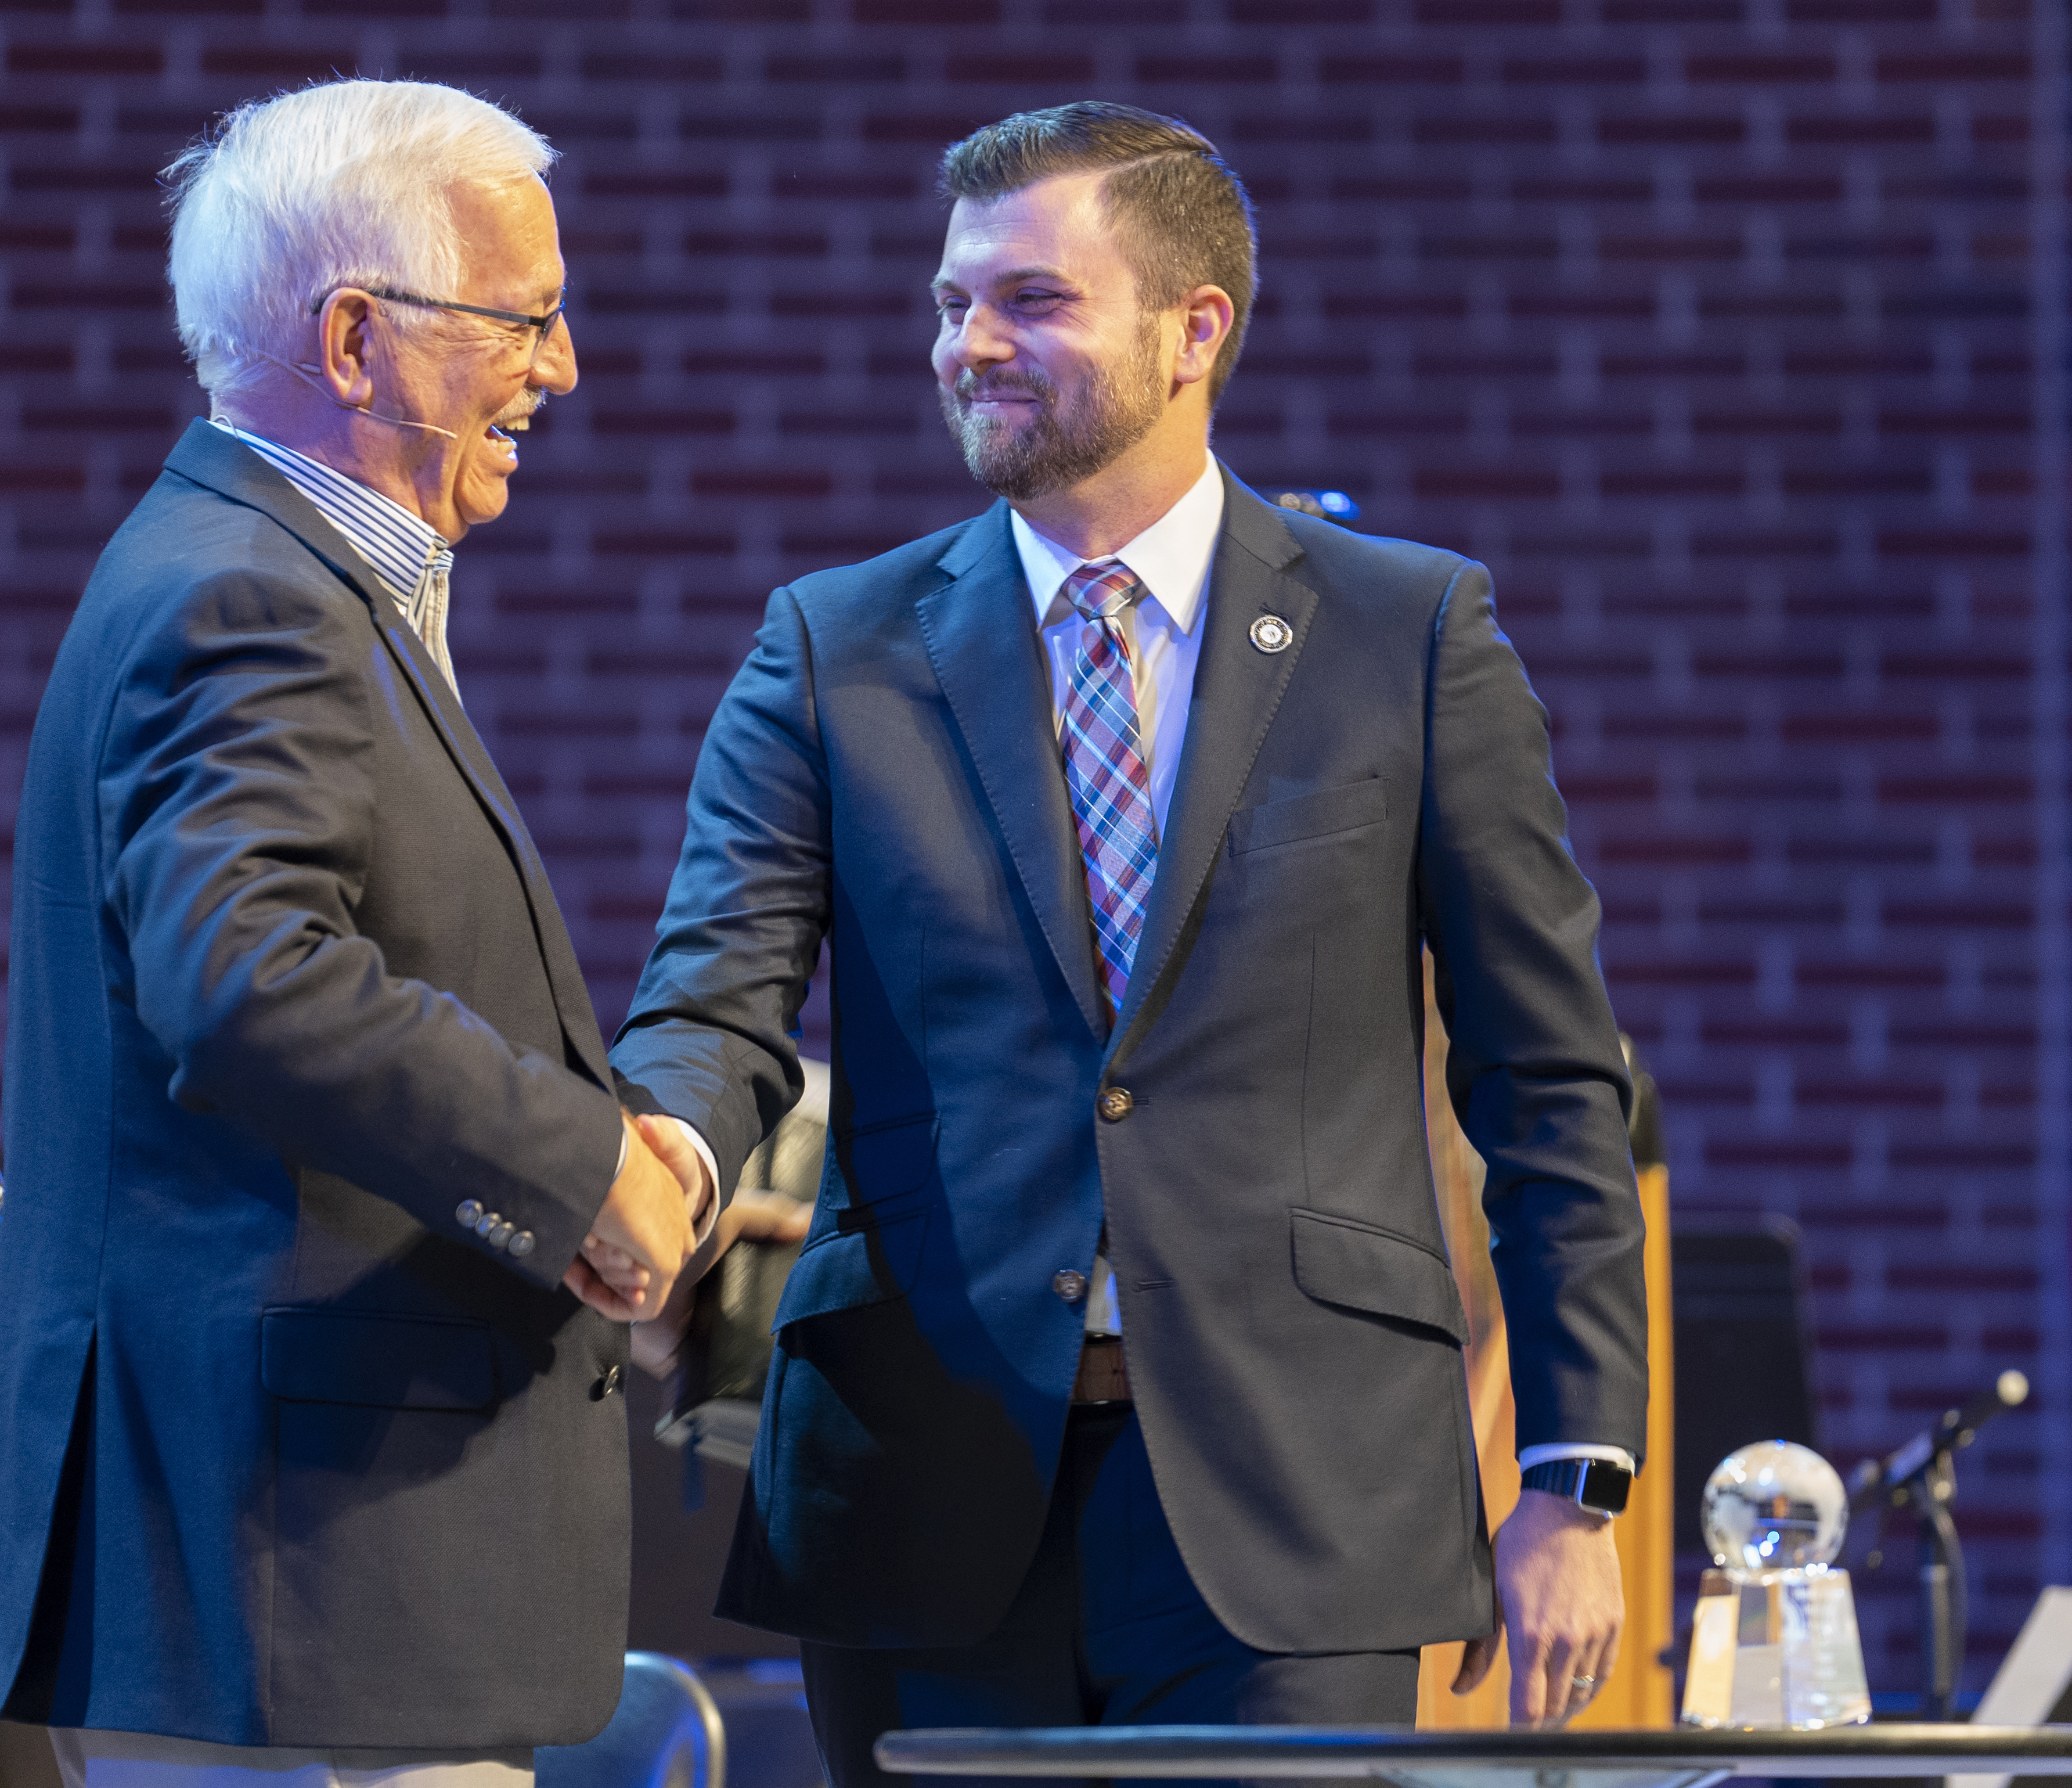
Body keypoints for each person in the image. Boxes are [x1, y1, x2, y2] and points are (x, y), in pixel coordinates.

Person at [608, 102, 1649, 1781]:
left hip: (1301, 1505)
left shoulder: (1407, 632)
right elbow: (714, 995)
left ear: (1194, 329)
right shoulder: (831, 646)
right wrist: (657, 1152)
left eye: (1029, 301)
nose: (968, 345)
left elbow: (1548, 1080)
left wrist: (1573, 1479)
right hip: (921, 1482)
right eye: (951, 303)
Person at [0, 80, 707, 1788]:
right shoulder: (254, 593)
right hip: (301, 1587)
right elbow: (253, 979)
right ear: (357, 339)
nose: (560, 370)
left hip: (281, 1589)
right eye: (527, 319)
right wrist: (588, 1172)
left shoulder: (256, 571)